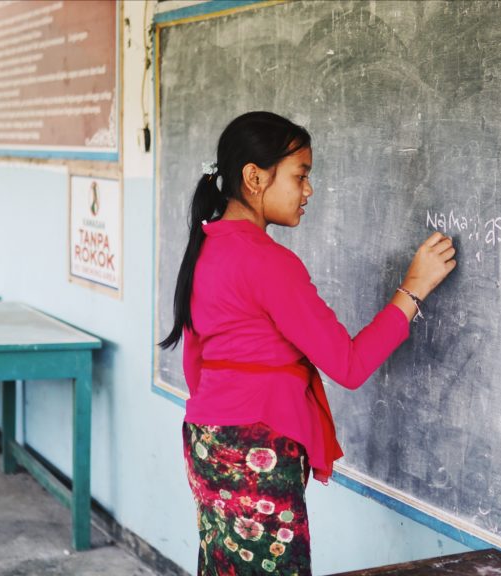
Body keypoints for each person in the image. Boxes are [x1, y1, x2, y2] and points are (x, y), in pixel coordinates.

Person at [160, 111, 456, 575]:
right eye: (301, 175)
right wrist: (412, 289)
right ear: (255, 178)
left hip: (206, 441)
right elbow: (349, 365)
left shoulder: (207, 247)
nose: (309, 190)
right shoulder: (269, 263)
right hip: (257, 447)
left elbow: (196, 364)